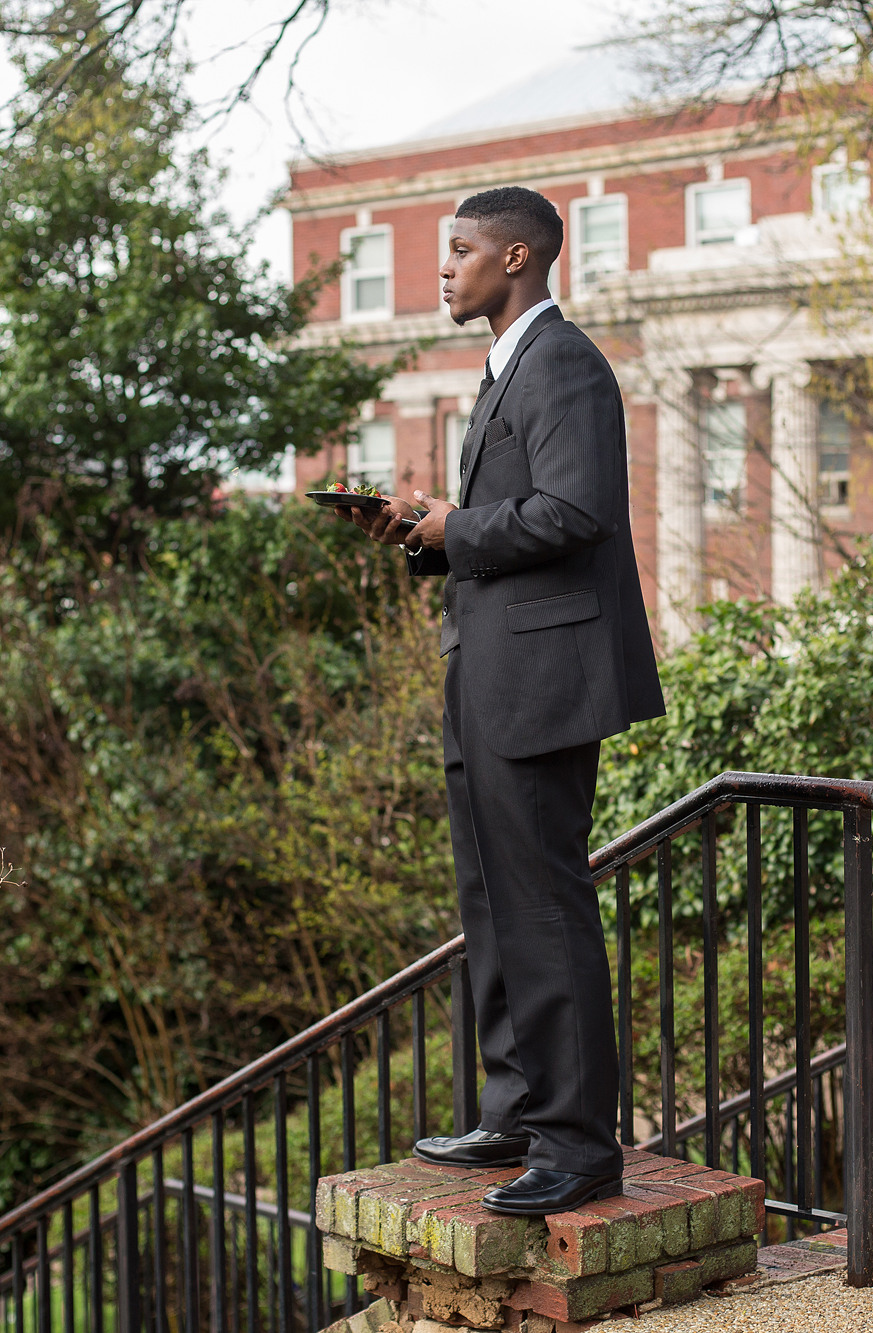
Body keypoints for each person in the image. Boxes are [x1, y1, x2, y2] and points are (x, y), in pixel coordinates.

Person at [340, 185, 664, 1216]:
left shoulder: (562, 361)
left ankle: (577, 1145)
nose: (444, 267)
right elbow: (508, 524)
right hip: (484, 674)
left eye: (461, 250)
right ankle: (516, 1110)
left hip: (541, 684)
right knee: (489, 899)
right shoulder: (503, 370)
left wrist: (454, 527)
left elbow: (574, 510)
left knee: (541, 902)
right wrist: (420, 530)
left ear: (517, 258)